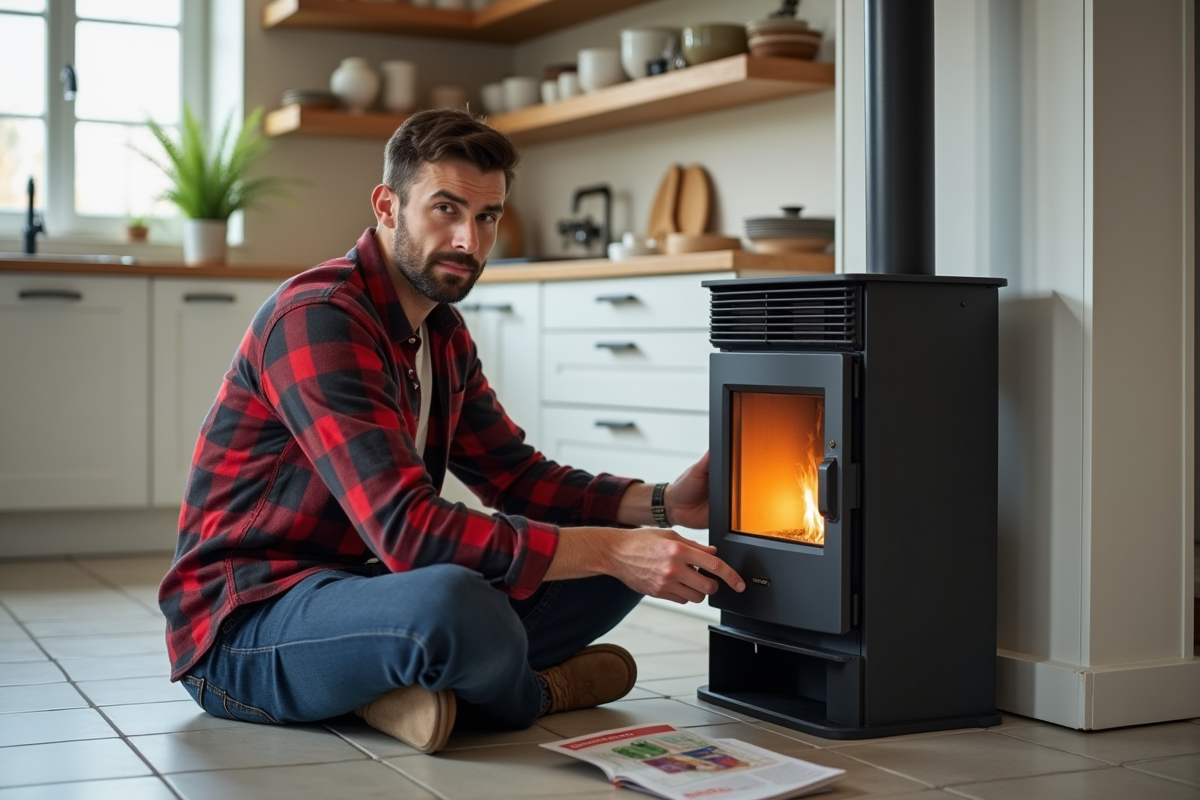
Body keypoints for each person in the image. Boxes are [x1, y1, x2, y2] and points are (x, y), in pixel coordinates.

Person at [158, 108, 745, 755]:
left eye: (487, 216)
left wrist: (664, 503)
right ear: (388, 206)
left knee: (629, 551)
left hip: (366, 592)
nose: (469, 239)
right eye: (445, 209)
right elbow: (408, 530)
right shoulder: (319, 318)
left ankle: (413, 687)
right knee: (455, 603)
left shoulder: (440, 331)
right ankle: (535, 692)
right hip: (246, 625)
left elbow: (514, 474)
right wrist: (604, 549)